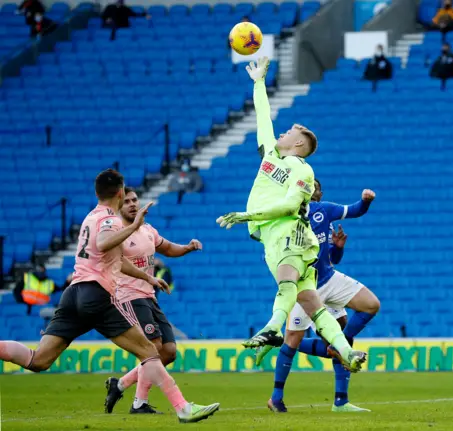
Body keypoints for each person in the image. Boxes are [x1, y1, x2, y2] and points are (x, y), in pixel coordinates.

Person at [0, 169, 219, 424]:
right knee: (149, 350)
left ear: (97, 192)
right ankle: (183, 408)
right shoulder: (109, 218)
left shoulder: (89, 218)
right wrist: (135, 225)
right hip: (97, 294)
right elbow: (105, 243)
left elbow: (114, 258)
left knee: (38, 360)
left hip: (73, 295)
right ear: (120, 191)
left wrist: (148, 277)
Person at [215, 57, 367, 374]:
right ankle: (346, 352)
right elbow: (262, 118)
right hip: (271, 236)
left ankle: (272, 326)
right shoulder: (271, 154)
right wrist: (258, 82)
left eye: (289, 132)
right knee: (312, 302)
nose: (281, 132)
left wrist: (247, 215)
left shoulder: (303, 170)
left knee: (287, 281)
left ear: (298, 143)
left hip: (290, 233)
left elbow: (288, 208)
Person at [256, 179, 380, 413]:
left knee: (370, 306)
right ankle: (276, 398)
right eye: (306, 185)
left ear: (319, 192)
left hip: (329, 279)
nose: (311, 188)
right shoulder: (287, 217)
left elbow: (355, 211)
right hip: (304, 287)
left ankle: (341, 401)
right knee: (292, 342)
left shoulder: (325, 211)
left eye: (315, 185)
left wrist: (365, 202)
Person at [104, 187, 204, 415]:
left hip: (149, 296)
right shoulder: (117, 232)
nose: (132, 204)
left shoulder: (148, 230)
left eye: (135, 200)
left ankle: (119, 385)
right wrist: (149, 277)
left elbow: (167, 248)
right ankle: (139, 403)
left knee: (168, 351)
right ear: (119, 206)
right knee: (153, 347)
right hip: (129, 296)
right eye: (127, 201)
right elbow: (117, 263)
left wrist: (187, 248)